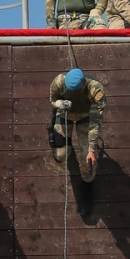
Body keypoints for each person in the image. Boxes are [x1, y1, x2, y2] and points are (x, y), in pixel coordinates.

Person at [48, 67, 107, 216]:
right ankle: (64, 145)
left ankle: (87, 187)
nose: (73, 94)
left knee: (88, 161)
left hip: (85, 115)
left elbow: (95, 123)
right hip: (65, 112)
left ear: (84, 84)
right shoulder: (59, 82)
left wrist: (92, 150)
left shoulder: (95, 90)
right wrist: (60, 104)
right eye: (71, 91)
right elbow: (53, 99)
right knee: (61, 155)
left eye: (76, 91)